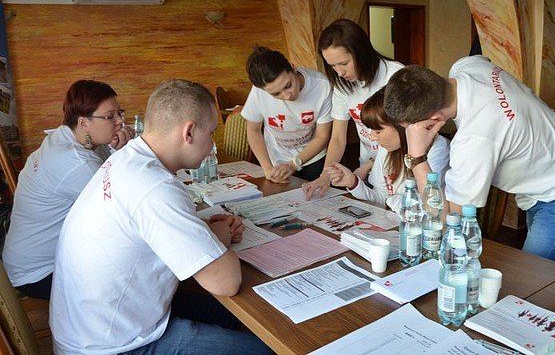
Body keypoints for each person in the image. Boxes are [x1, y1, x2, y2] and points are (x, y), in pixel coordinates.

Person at [49, 79, 270, 354]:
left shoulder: (126, 159)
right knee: (263, 350)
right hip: (110, 346)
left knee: (229, 316)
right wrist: (220, 235)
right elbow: (226, 282)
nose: (212, 145)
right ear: (189, 132)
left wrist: (201, 229)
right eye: (212, 133)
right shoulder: (154, 186)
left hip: (91, 324)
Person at [384, 56, 555, 265]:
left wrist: (417, 156)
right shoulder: (468, 66)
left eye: (410, 129)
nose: (409, 134)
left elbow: (445, 220)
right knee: (549, 273)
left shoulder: (475, 140)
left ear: (434, 119)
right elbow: (485, 63)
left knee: (535, 281)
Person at [2, 80, 134, 299]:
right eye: (110, 116)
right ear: (83, 122)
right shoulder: (76, 164)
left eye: (120, 113)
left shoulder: (66, 136)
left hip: (23, 257)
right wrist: (128, 152)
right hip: (39, 273)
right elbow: (127, 209)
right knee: (135, 279)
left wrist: (115, 147)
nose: (120, 121)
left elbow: (111, 177)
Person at [302, 18, 404, 199]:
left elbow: (406, 133)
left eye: (344, 63)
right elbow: (338, 138)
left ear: (361, 52)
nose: (339, 72)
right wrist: (325, 176)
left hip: (396, 169)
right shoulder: (342, 84)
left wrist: (370, 165)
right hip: (366, 171)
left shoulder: (394, 75)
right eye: (332, 66)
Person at [326, 87, 450, 212]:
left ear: (402, 125)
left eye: (378, 131)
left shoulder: (438, 148)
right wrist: (353, 182)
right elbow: (381, 197)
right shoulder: (386, 149)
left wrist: (391, 201)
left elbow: (430, 207)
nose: (372, 137)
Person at [242, 46, 332, 182]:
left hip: (314, 156)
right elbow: (253, 130)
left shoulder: (322, 86)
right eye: (276, 94)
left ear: (293, 68)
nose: (287, 96)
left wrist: (294, 164)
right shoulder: (258, 92)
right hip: (277, 159)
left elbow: (322, 135)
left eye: (288, 85)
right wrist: (268, 169)